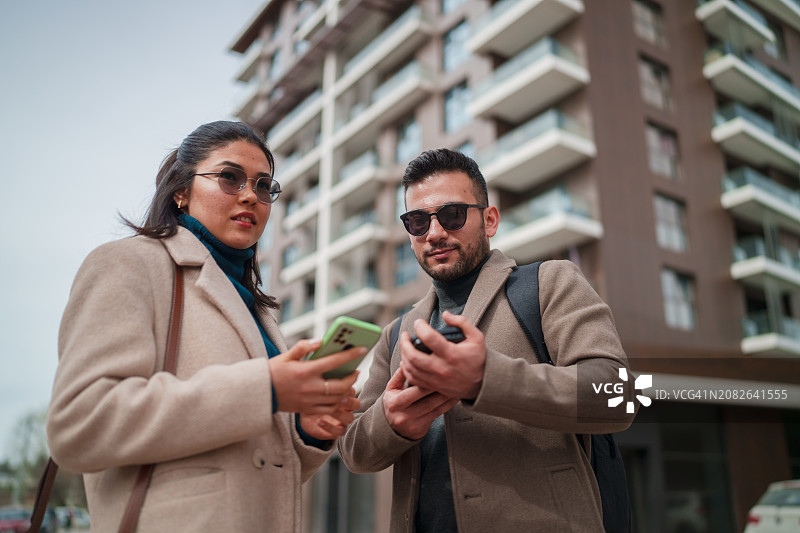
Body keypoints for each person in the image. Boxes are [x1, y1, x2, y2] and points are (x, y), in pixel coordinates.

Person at [46, 121, 363, 532]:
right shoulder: (129, 264)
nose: (251, 194)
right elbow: (80, 424)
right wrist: (266, 388)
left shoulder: (257, 310)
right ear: (181, 191)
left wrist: (307, 432)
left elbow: (250, 468)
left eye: (264, 186)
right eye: (230, 178)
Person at [338, 148, 636, 532]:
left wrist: (485, 379)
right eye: (417, 221)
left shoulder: (550, 283)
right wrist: (391, 422)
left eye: (452, 215)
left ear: (490, 219)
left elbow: (619, 393)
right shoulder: (396, 333)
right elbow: (354, 452)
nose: (435, 233)